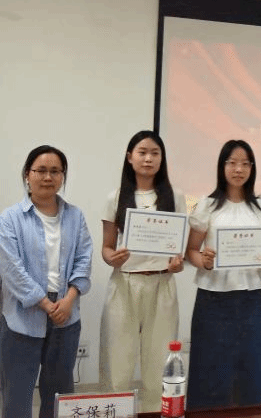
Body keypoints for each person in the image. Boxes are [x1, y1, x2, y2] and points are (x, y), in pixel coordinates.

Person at [0, 145, 92, 418]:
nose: (48, 177)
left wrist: (69, 299)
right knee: (17, 390)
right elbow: (11, 268)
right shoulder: (10, 218)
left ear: (63, 176)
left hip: (66, 312)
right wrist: (44, 303)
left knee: (59, 391)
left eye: (55, 171)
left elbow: (84, 259)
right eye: (41, 170)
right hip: (22, 314)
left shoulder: (75, 216)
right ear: (27, 174)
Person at [185, 140, 261, 409]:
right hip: (214, 299)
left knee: (256, 368)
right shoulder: (207, 205)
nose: (239, 169)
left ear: (252, 168)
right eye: (233, 163)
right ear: (222, 166)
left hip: (254, 299)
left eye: (245, 164)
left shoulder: (260, 205)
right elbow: (191, 251)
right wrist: (204, 261)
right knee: (212, 370)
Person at [99, 131, 186, 412]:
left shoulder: (175, 197)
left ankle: (156, 411)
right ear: (129, 157)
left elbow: (178, 253)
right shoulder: (116, 197)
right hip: (125, 283)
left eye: (155, 153)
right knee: (117, 360)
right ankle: (114, 411)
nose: (148, 158)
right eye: (142, 152)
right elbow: (106, 248)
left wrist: (177, 264)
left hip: (162, 283)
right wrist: (114, 258)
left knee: (159, 361)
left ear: (162, 159)